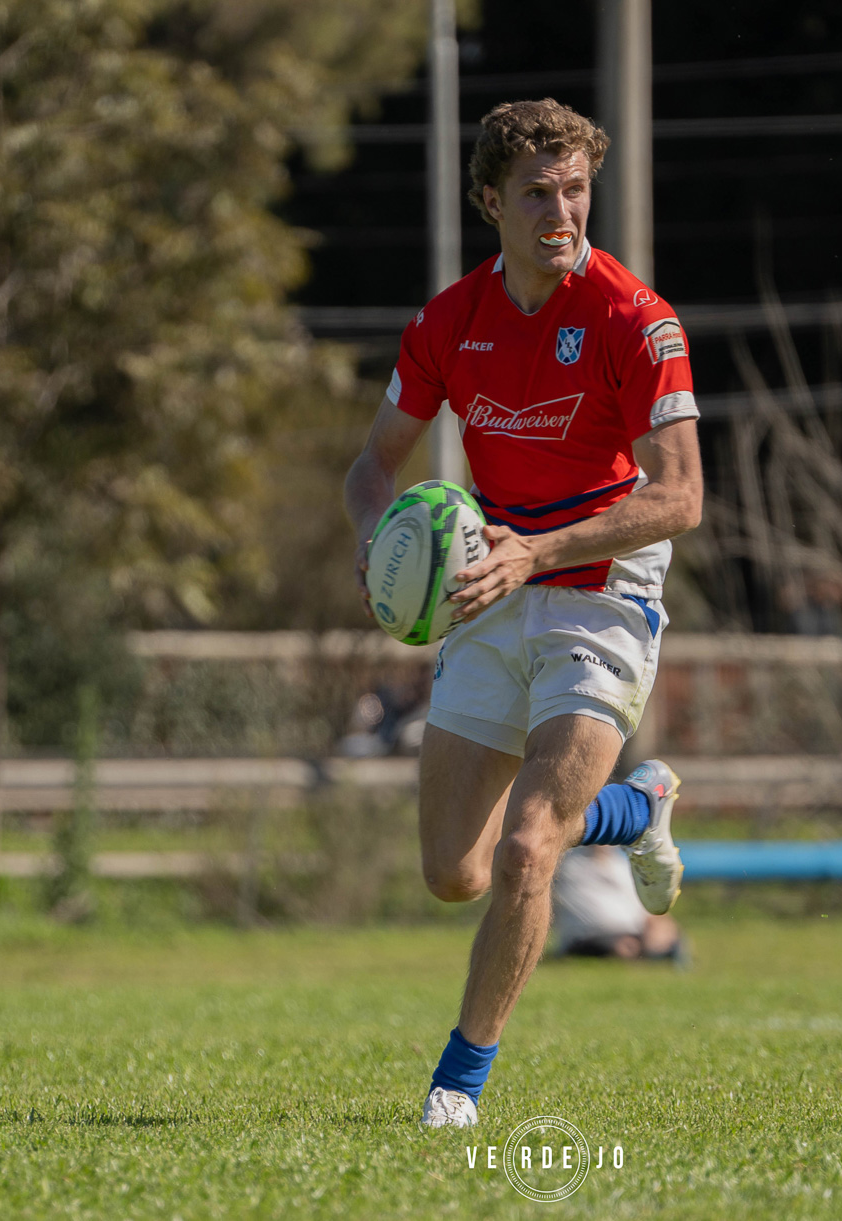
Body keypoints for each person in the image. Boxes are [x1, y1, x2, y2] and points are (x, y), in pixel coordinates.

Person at [343, 98, 704, 1128]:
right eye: (538, 192)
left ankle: (459, 1084)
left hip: (600, 589)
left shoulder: (640, 320)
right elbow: (372, 467)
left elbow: (680, 497)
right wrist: (385, 554)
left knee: (526, 849)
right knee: (454, 872)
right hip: (490, 586)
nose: (563, 210)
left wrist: (536, 551)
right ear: (490, 200)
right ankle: (635, 810)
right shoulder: (449, 322)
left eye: (576, 188)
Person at [553, 845, 688, 965]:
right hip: (587, 935)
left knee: (661, 933)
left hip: (632, 930)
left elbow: (643, 907)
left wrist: (656, 926)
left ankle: (661, 951)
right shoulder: (567, 864)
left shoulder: (621, 865)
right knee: (625, 946)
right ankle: (656, 955)